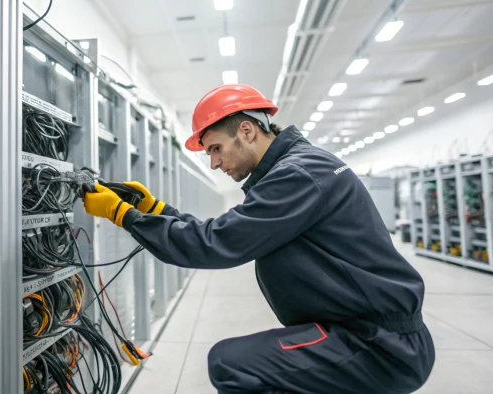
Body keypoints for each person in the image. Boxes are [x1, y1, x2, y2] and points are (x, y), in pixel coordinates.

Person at [83, 84, 434, 394]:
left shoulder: (297, 174)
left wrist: (125, 215)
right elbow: (228, 229)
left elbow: (215, 244)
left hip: (378, 344)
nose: (214, 163)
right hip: (367, 332)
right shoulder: (299, 167)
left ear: (247, 131)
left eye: (216, 148)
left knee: (231, 364)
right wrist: (155, 210)